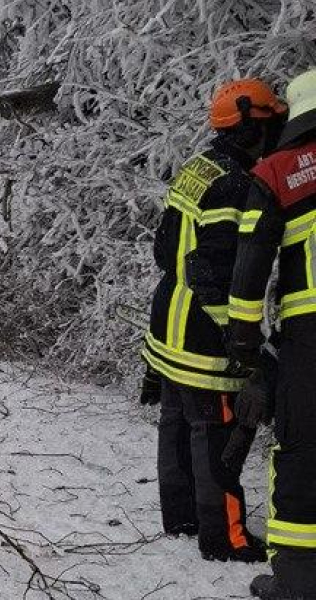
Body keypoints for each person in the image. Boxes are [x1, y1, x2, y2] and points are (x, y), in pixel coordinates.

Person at [142, 78, 287, 564]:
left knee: (177, 424)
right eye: (270, 122)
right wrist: (239, 338)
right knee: (215, 435)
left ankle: (181, 518)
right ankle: (225, 538)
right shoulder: (234, 184)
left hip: (167, 324)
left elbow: (165, 249)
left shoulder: (198, 168)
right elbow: (214, 270)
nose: (277, 130)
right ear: (249, 127)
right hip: (201, 336)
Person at [227, 68, 315, 599]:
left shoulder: (278, 171)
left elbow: (250, 265)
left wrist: (245, 342)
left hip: (310, 337)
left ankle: (301, 580)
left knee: (304, 449)